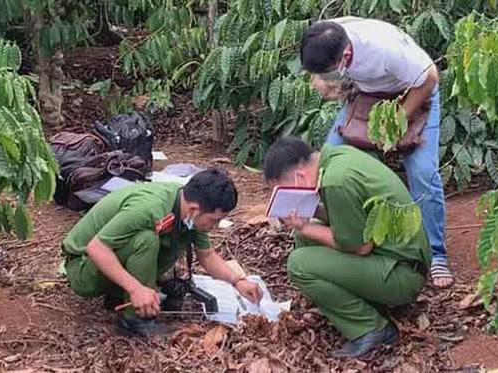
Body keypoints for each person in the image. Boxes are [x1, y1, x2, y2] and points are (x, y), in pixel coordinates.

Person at [300, 18, 453, 288]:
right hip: (368, 95)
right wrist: (326, 82)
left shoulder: (385, 50)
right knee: (328, 159)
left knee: (423, 173)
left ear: (345, 56)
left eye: (324, 72)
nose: (319, 78)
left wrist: (394, 125)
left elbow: (429, 78)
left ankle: (436, 254)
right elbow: (323, 71)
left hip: (414, 92)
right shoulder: (325, 36)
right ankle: (345, 229)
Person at [263, 138, 431, 358]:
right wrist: (310, 215)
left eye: (283, 193)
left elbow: (361, 247)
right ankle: (363, 305)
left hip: (402, 275)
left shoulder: (335, 181)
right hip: (396, 262)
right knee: (305, 241)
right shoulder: (337, 159)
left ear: (299, 177)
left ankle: (372, 328)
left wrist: (304, 227)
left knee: (298, 264)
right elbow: (351, 218)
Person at [61, 168, 262, 336]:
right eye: (214, 219)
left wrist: (238, 282)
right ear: (194, 209)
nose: (216, 226)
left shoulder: (187, 211)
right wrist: (135, 289)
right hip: (82, 267)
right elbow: (96, 248)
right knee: (145, 240)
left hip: (105, 263)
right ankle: (135, 321)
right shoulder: (150, 208)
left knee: (175, 237)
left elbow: (207, 256)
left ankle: (119, 294)